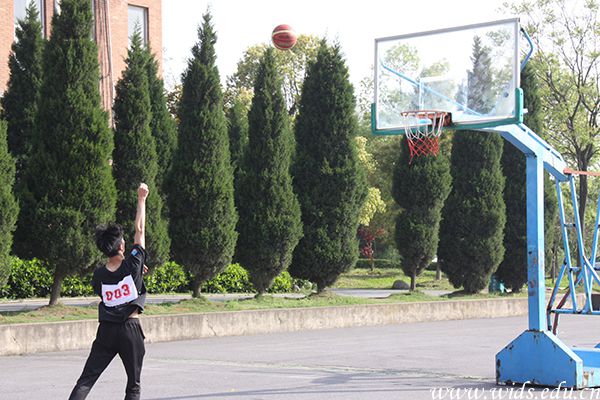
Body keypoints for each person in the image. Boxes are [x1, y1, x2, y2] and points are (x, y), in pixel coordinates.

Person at [69, 183, 150, 400]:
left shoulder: (98, 275)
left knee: (86, 379)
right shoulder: (133, 264)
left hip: (106, 330)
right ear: (122, 247)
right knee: (133, 385)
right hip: (130, 329)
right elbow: (140, 230)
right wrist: (141, 199)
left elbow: (109, 289)